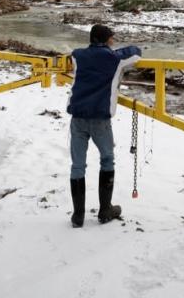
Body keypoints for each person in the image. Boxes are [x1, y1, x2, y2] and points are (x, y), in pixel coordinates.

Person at [66, 24, 141, 227]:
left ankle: (78, 216)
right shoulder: (115, 59)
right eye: (111, 38)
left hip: (78, 116)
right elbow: (135, 53)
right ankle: (105, 210)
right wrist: (115, 52)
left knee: (77, 165)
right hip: (99, 118)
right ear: (106, 40)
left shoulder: (77, 55)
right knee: (107, 160)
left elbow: (73, 56)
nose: (113, 40)